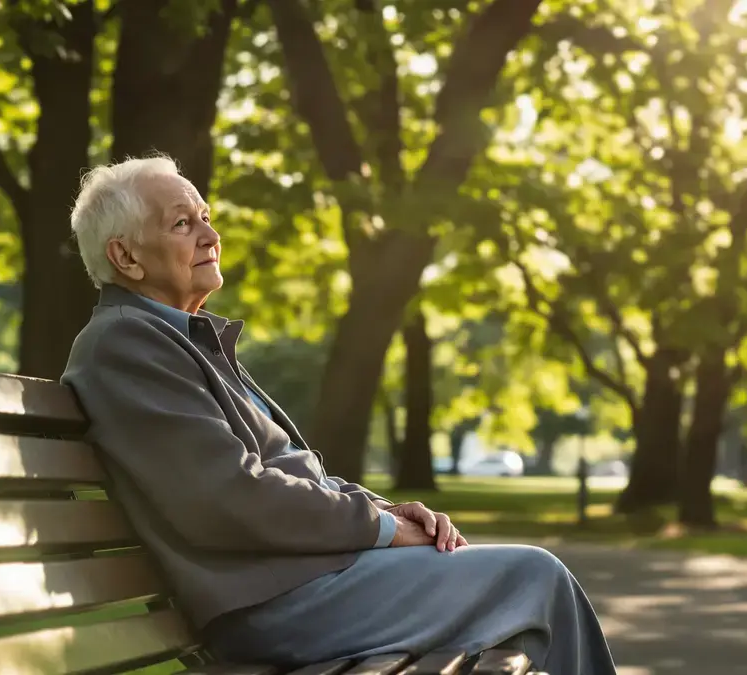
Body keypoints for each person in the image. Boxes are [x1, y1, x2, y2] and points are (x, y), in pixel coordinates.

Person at [61, 155, 617, 674]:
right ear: (126, 257)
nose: (210, 235)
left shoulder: (176, 338)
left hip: (304, 581)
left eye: (205, 217)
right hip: (274, 602)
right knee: (536, 579)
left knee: (519, 603)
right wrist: (382, 528)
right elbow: (230, 497)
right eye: (182, 224)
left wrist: (385, 509)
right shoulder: (126, 344)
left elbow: (289, 475)